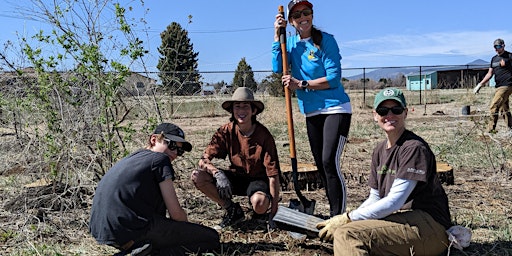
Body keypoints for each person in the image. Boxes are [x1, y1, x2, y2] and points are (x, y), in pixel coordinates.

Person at [316, 88, 453, 255]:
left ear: (405, 113)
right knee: (350, 230)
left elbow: (395, 201)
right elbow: (375, 197)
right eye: (383, 111)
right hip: (401, 220)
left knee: (347, 234)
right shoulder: (379, 150)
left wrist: (348, 218)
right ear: (375, 115)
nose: (390, 115)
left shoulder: (414, 148)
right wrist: (349, 218)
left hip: (429, 226)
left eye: (396, 110)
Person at [272, 0, 352, 217]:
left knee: (329, 161)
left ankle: (339, 217)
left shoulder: (326, 41)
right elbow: (276, 67)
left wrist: (302, 84)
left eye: (306, 12)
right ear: (291, 21)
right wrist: (276, 35)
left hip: (335, 108)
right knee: (321, 164)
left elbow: (333, 79)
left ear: (312, 15)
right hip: (312, 111)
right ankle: (333, 213)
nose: (302, 17)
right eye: (297, 15)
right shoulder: (289, 44)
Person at [90, 123, 220, 256]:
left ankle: (139, 250)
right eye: (172, 145)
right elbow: (176, 214)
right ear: (153, 140)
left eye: (179, 151)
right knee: (212, 239)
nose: (175, 153)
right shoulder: (159, 159)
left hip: (103, 231)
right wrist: (188, 229)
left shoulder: (133, 158)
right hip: (131, 228)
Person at [191, 87, 281, 229]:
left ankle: (259, 212)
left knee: (259, 203)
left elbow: (273, 174)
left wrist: (274, 211)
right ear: (232, 111)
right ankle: (232, 210)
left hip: (257, 179)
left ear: (254, 111)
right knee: (198, 176)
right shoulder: (225, 131)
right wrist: (217, 173)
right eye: (237, 107)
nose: (241, 111)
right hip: (235, 177)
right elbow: (203, 160)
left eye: (245, 107)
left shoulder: (264, 135)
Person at [474, 38, 512, 133]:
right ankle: (510, 128)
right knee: (504, 108)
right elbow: (489, 73)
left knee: (494, 106)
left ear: (503, 46)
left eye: (498, 46)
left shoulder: (509, 56)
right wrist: (480, 85)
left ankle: (490, 131)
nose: (496, 49)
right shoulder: (494, 59)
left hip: (507, 85)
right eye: (495, 47)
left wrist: (507, 64)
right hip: (498, 86)